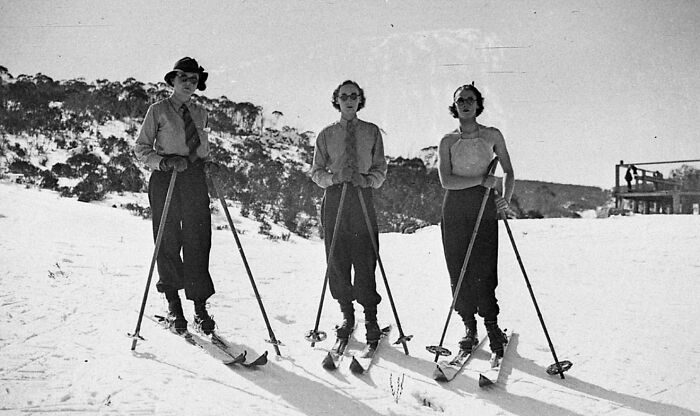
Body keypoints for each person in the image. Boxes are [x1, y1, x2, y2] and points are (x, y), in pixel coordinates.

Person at [135, 57, 219, 335]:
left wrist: (206, 162)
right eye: (183, 77)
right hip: (166, 177)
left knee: (198, 239)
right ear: (172, 80)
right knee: (168, 237)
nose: (188, 83)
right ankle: (173, 302)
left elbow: (201, 147)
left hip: (193, 179)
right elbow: (142, 149)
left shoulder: (201, 112)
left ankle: (199, 305)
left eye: (194, 79)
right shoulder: (157, 110)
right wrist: (165, 162)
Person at [437, 82, 515, 358]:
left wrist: (504, 198)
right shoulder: (448, 140)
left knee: (484, 266)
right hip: (455, 206)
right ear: (454, 106)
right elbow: (446, 180)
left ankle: (492, 326)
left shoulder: (492, 135)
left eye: (470, 99)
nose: (466, 104)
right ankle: (469, 327)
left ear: (478, 104)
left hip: (483, 205)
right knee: (457, 266)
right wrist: (481, 179)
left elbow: (508, 170)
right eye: (460, 101)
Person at [310, 80, 388, 344]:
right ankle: (347, 314)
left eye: (354, 95)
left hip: (360, 196)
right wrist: (334, 178)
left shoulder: (372, 132)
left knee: (365, 256)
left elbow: (380, 169)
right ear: (337, 100)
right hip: (335, 197)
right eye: (344, 96)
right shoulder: (326, 134)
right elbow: (316, 172)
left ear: (360, 99)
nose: (349, 100)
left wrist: (367, 180)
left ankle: (371, 317)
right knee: (337, 256)